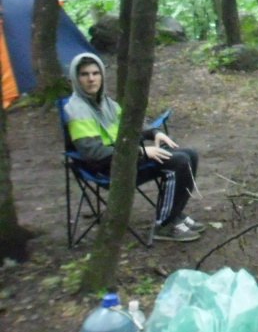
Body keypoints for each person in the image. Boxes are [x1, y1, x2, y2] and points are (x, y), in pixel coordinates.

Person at [64, 53, 204, 243]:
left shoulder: (107, 103)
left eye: (96, 73)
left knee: (190, 154)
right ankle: (165, 225)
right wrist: (141, 151)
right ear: (75, 78)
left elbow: (133, 125)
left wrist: (154, 133)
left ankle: (175, 214)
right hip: (106, 167)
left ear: (102, 76)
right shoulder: (77, 109)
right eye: (84, 74)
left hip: (124, 157)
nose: (91, 79)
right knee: (179, 162)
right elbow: (94, 153)